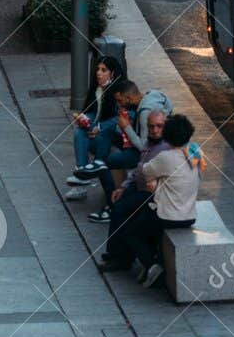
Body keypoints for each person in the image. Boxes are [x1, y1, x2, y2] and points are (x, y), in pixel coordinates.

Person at [115, 113, 200, 288]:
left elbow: (144, 172)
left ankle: (152, 265)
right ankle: (154, 262)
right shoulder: (196, 152)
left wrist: (156, 181)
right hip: (190, 215)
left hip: (167, 216)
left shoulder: (165, 157)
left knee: (129, 232)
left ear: (167, 136)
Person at [91, 108, 167, 235]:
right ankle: (114, 251)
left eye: (159, 126)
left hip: (152, 193)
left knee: (121, 211)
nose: (155, 130)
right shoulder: (149, 143)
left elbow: (146, 172)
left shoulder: (165, 147)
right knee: (119, 205)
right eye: (151, 127)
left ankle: (117, 251)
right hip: (140, 187)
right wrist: (123, 187)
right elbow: (139, 169)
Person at [67, 55, 127, 189]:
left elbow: (119, 118)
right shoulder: (97, 89)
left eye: (103, 70)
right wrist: (84, 119)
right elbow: (92, 111)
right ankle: (81, 173)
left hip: (113, 137)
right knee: (79, 133)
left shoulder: (119, 92)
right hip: (97, 133)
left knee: (92, 137)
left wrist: (99, 127)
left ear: (112, 73)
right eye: (98, 69)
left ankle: (82, 178)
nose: (99, 73)